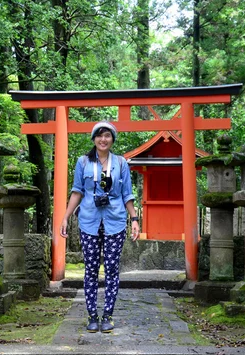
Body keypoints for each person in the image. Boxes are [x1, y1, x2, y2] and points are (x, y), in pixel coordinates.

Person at [60, 121, 140, 333]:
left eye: (107, 136)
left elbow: (127, 195)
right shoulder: (83, 162)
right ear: (94, 138)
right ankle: (92, 316)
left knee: (112, 269)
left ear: (112, 139)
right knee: (91, 269)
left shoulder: (121, 163)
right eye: (99, 135)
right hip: (88, 221)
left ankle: (108, 315)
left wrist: (134, 219)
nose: (103, 139)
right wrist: (66, 217)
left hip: (115, 220)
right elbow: (77, 191)